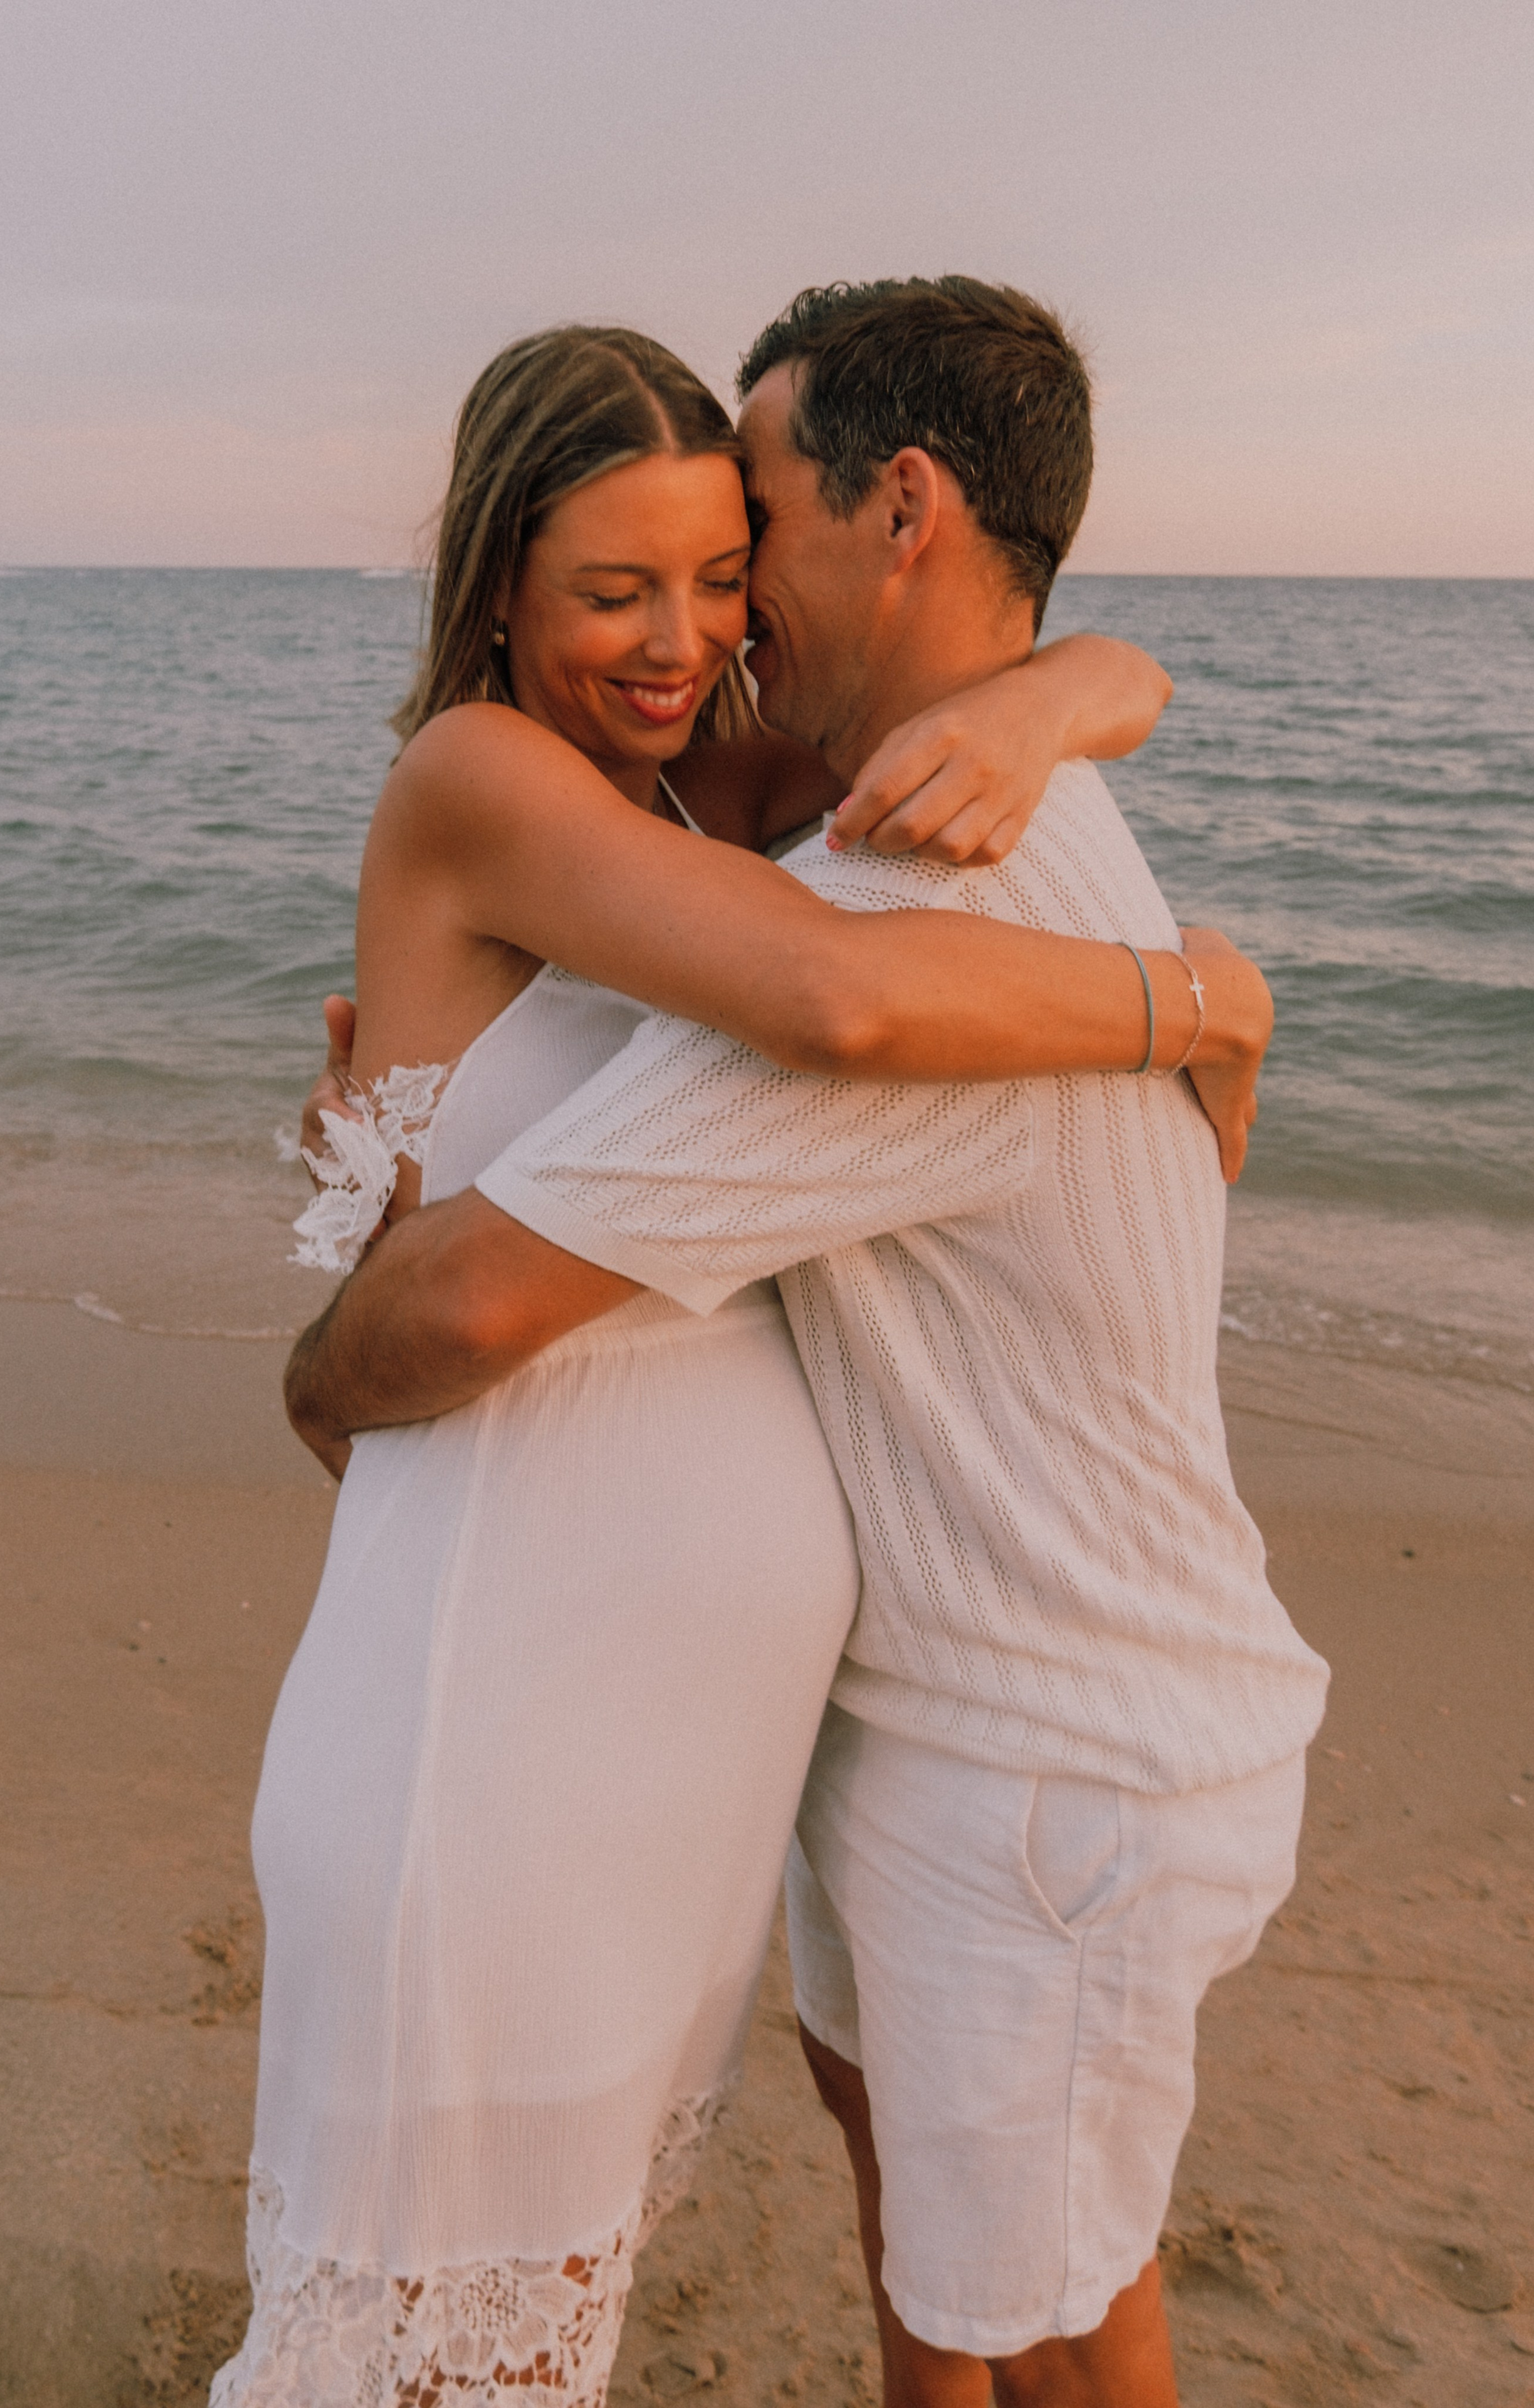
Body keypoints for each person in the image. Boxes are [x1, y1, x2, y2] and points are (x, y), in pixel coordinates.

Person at [284, 280, 1328, 2408]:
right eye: (626, 585)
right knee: (579, 2305)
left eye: (734, 563)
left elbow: (866, 972)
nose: (698, 634)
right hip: (637, 1706)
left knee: (1001, 2314)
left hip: (988, 1744)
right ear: (498, 581)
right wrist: (1193, 1000)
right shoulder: (609, 803)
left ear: (898, 514)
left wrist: (1076, 698)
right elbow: (821, 1016)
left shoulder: (796, 818)